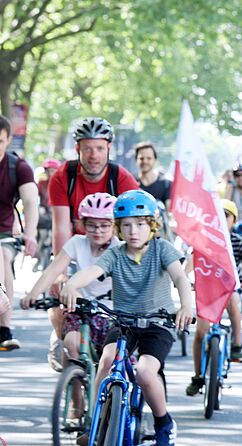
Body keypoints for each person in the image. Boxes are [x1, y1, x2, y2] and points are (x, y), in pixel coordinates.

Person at [60, 190, 193, 446]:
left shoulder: (162, 249)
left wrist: (186, 305)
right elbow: (91, 272)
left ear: (151, 225)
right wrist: (72, 283)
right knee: (106, 361)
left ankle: (164, 424)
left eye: (141, 224)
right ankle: (98, 423)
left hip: (158, 323)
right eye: (127, 225)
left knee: (144, 372)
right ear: (118, 228)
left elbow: (180, 278)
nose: (134, 231)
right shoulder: (115, 254)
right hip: (123, 322)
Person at [21, 193, 122, 372]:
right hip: (81, 309)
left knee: (111, 360)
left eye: (104, 226)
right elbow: (52, 271)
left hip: (112, 313)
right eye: (91, 225)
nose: (97, 230)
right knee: (71, 345)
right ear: (82, 224)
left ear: (114, 226)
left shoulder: (120, 249)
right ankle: (75, 395)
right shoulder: (77, 243)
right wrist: (32, 295)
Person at [186, 200, 242, 396]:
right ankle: (198, 376)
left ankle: (237, 343)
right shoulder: (204, 240)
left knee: (234, 303)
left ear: (233, 220)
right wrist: (184, 278)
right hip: (208, 289)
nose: (219, 220)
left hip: (231, 287)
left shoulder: (237, 241)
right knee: (201, 332)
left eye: (225, 216)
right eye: (215, 216)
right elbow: (191, 261)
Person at [48, 117, 139, 254]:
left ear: (109, 148)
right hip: (76, 250)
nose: (94, 156)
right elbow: (61, 228)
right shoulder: (62, 177)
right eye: (87, 149)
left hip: (115, 250)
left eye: (100, 148)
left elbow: (135, 227)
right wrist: (61, 272)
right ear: (78, 149)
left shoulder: (122, 178)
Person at [0, 114, 39, 351]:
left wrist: (31, 233)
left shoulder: (19, 168)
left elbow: (31, 202)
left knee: (1, 256)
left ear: (8, 141)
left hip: (4, 233)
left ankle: (4, 328)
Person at [134, 141, 172, 213]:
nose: (145, 161)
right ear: (136, 160)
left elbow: (169, 212)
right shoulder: (131, 182)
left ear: (155, 159)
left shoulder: (166, 184)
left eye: (149, 158)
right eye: (141, 158)